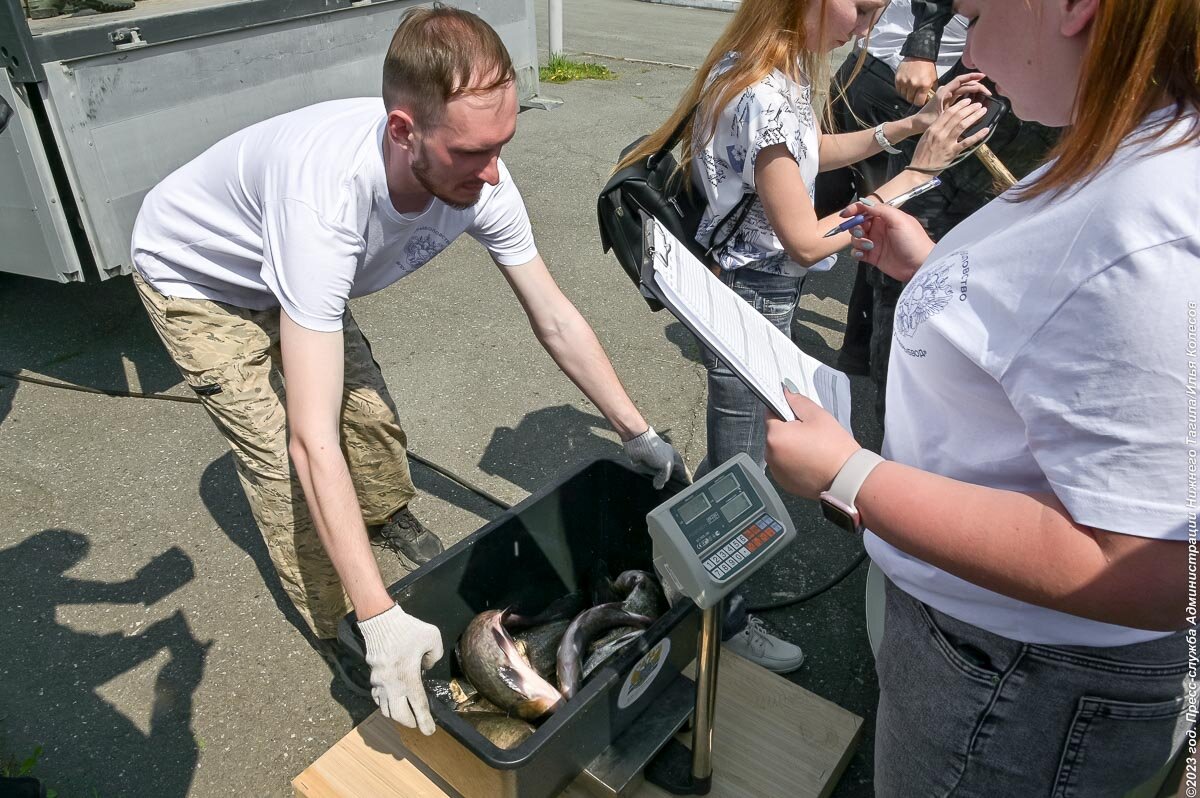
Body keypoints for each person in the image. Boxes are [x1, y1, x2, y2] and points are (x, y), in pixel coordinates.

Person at [130, 6, 685, 735]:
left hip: (291, 277)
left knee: (369, 416)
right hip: (197, 279)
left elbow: (553, 315)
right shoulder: (325, 202)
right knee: (283, 464)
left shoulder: (480, 175)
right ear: (403, 131)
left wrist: (637, 431)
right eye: (470, 153)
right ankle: (348, 624)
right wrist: (379, 615)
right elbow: (310, 441)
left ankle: (385, 513)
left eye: (503, 145)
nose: (492, 174)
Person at [765, 0, 1197, 793]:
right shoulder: (1129, 150)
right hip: (992, 657)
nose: (959, 5)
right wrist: (935, 269)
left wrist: (851, 474)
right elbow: (1062, 316)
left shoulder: (1155, 223)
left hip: (1016, 690)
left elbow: (1159, 568)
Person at [618, 0, 990, 673]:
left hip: (738, 286)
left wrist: (906, 125)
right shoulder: (769, 93)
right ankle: (720, 620)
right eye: (863, 3)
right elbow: (807, 237)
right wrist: (921, 171)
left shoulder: (759, 66)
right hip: (752, 294)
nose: (873, 15)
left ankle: (683, 573)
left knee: (739, 459)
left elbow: (805, 155)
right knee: (742, 471)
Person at [828, 0, 1057, 420]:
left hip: (1040, 147)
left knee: (978, 283)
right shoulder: (983, 54)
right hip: (969, 110)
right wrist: (922, 44)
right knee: (896, 273)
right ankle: (890, 420)